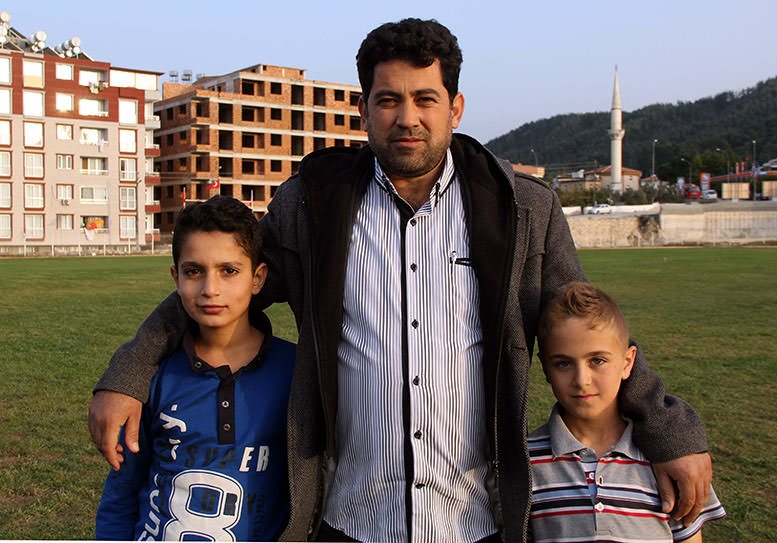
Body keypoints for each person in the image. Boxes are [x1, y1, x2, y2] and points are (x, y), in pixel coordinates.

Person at [89, 19, 712, 543]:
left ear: (455, 107)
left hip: (475, 520)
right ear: (364, 109)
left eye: (424, 98)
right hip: (349, 517)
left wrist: (667, 428)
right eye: (388, 100)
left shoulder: (522, 210)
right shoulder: (312, 206)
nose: (406, 117)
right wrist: (129, 373)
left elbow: (585, 322)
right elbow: (220, 289)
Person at [94, 196, 295, 541]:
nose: (210, 289)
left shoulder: (293, 371)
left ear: (258, 277)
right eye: (193, 271)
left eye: (229, 271)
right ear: (176, 277)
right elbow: (120, 496)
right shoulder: (150, 376)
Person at [528, 282, 725, 542]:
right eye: (563, 363)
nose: (582, 379)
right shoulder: (525, 460)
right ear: (545, 368)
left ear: (628, 362)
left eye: (597, 360)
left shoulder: (668, 458)